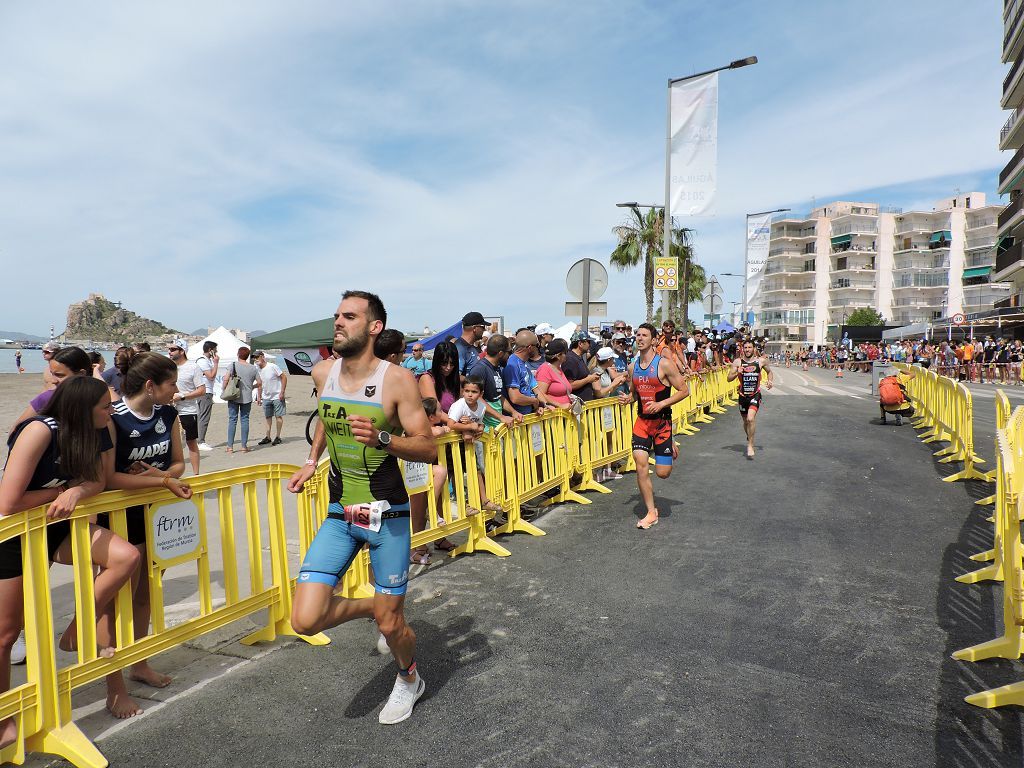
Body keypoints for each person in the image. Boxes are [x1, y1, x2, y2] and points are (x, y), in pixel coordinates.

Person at [286, 290, 436, 725]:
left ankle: (409, 678)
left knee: (394, 629)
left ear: (373, 327)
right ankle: (375, 606)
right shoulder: (322, 373)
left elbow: (428, 448)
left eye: (349, 316)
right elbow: (326, 420)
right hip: (339, 513)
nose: (338, 322)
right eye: (336, 315)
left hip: (387, 515)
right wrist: (312, 461)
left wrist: (384, 439)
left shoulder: (397, 381)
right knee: (305, 618)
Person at [0, 377, 142, 731]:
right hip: (13, 535)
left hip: (55, 529)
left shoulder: (91, 431)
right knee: (6, 633)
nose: (112, 413)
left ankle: (77, 630)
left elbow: (96, 482)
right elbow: (10, 501)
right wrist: (60, 492)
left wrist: (77, 491)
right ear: (82, 408)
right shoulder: (39, 430)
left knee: (126, 557)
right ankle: (4, 718)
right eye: (106, 407)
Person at [95, 351, 193, 715]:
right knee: (109, 604)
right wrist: (161, 478)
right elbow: (106, 479)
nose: (176, 390)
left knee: (145, 594)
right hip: (116, 519)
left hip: (156, 515)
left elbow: (179, 464)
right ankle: (113, 685)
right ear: (151, 386)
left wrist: (157, 474)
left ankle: (139, 662)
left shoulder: (168, 414)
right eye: (171, 384)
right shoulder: (113, 419)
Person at [617, 323, 691, 530]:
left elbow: (684, 391)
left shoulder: (665, 364)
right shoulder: (632, 367)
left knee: (662, 473)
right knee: (640, 464)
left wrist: (661, 403)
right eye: (638, 335)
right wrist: (628, 399)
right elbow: (635, 394)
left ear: (653, 339)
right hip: (642, 423)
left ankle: (670, 445)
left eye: (644, 335)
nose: (639, 338)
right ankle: (651, 512)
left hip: (662, 424)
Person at [11, 346, 94, 430]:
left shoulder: (99, 397)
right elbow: (17, 428)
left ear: (81, 374)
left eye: (60, 375)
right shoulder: (48, 397)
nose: (53, 381)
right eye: (52, 374)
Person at [727, 339, 774, 459]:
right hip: (743, 396)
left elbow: (770, 372)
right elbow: (729, 378)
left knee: (750, 418)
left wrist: (770, 380)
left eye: (749, 347)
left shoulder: (761, 361)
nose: (747, 350)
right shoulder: (738, 362)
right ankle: (749, 436)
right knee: (745, 422)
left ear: (754, 349)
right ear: (743, 349)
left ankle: (750, 445)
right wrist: (737, 371)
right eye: (745, 347)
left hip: (755, 394)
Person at [467, 335, 520, 432]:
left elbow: (498, 396)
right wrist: (501, 417)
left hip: (497, 428)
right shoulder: (480, 369)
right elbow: (476, 398)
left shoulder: (497, 368)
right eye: (509, 352)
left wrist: (513, 412)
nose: (510, 356)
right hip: (485, 431)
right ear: (500, 353)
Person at [168, 339, 205, 473]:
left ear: (182, 351)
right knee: (169, 444)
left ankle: (196, 475)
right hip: (169, 410)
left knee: (191, 442)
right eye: (169, 349)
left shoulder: (193, 367)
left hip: (188, 411)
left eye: (173, 349)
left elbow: (202, 390)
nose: (169, 352)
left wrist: (182, 396)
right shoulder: (168, 367)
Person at [223, 346, 261, 454]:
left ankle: (230, 447)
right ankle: (244, 446)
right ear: (248, 356)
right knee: (245, 420)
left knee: (232, 420)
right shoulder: (253, 368)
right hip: (247, 397)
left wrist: (224, 389)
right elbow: (259, 382)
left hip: (234, 396)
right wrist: (251, 387)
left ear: (238, 354)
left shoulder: (233, 365)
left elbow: (226, 379)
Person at [504, 330, 544, 415]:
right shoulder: (513, 364)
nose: (538, 348)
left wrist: (545, 404)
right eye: (536, 345)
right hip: (517, 421)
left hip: (527, 416)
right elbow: (515, 398)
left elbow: (536, 390)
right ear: (530, 347)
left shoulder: (524, 363)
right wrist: (534, 401)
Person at [418, 340, 460, 415]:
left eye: (452, 364)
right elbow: (435, 411)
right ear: (437, 361)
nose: (448, 367)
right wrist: (458, 424)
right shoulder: (427, 379)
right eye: (444, 363)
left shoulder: (454, 379)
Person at [254, 351, 287, 446]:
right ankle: (268, 437)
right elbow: (260, 384)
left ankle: (278, 436)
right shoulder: (257, 370)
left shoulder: (272, 366)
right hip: (266, 397)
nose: (256, 360)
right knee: (268, 417)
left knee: (278, 416)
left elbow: (284, 377)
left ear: (262, 357)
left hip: (277, 395)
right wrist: (259, 396)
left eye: (257, 357)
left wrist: (282, 392)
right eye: (254, 358)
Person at [535, 338, 573, 408]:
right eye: (565, 353)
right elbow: (540, 393)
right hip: (553, 414)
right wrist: (560, 405)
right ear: (558, 356)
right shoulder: (544, 369)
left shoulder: (557, 368)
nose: (567, 355)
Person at [196, 341, 220, 452]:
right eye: (215, 349)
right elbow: (211, 376)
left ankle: (200, 440)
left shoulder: (207, 360)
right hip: (205, 391)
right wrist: (216, 363)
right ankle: (200, 441)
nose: (216, 352)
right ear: (210, 349)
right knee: (204, 416)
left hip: (207, 391)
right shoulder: (203, 361)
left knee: (202, 416)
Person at [563, 332, 600, 403]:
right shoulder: (570, 359)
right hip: (577, 407)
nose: (590, 345)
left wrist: (591, 377)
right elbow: (570, 385)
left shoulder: (578, 357)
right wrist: (588, 379)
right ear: (580, 344)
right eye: (588, 342)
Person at [455, 311, 487, 379]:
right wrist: (475, 383)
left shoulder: (472, 347)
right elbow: (455, 376)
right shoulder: (459, 348)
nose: (484, 329)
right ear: (475, 328)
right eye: (483, 327)